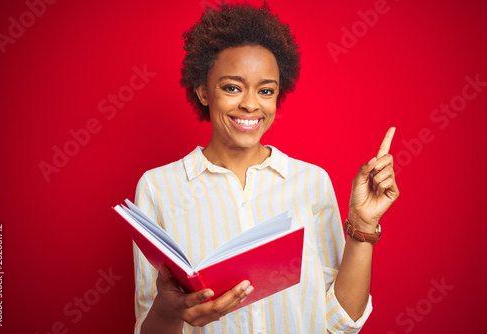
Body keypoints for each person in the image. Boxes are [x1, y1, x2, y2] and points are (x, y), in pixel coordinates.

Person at [132, 2, 399, 333]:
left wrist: (362, 226)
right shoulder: (159, 188)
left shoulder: (312, 182)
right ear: (203, 91)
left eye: (266, 90)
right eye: (232, 87)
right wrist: (170, 310)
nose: (250, 103)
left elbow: (340, 320)